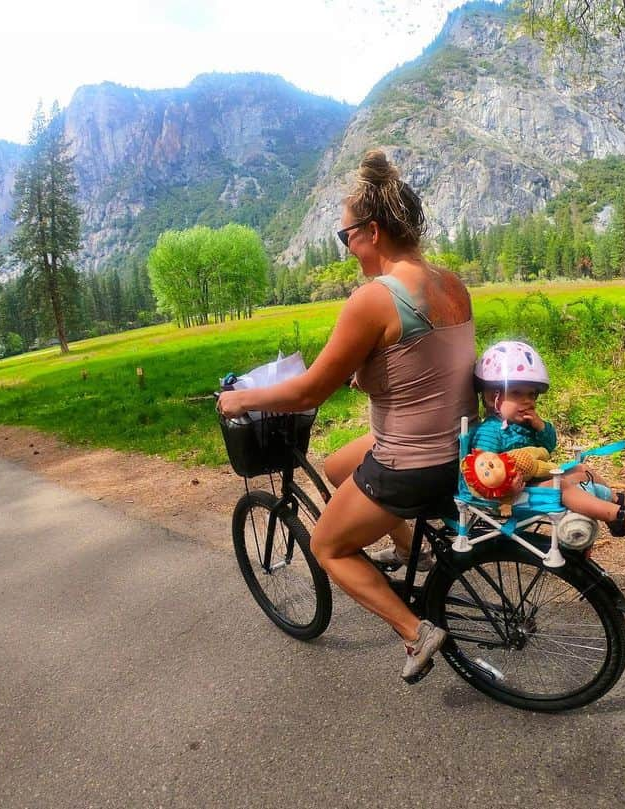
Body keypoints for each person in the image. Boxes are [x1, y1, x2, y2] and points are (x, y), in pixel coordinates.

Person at [217, 150, 477, 683]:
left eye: (345, 236)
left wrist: (243, 399)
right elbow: (424, 362)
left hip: (413, 461)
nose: (346, 247)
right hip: (462, 444)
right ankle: (412, 552)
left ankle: (415, 631)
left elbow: (310, 389)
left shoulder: (374, 299)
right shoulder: (450, 282)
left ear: (372, 232)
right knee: (337, 467)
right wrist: (372, 373)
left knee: (328, 545)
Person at [471, 340, 625, 535]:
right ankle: (614, 515)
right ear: (494, 397)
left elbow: (548, 447)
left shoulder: (524, 424)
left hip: (536, 477)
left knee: (582, 469)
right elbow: (482, 471)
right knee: (560, 486)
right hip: (510, 496)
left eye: (532, 395)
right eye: (517, 393)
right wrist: (507, 487)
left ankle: (617, 502)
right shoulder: (490, 432)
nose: (528, 401)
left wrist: (541, 427)